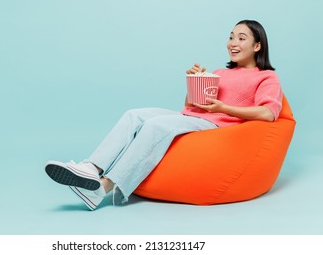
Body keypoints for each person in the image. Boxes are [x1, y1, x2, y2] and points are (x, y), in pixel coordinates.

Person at [45, 20, 283, 210]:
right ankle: (90, 168)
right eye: (231, 36)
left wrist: (224, 109)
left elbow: (269, 112)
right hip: (192, 117)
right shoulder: (220, 72)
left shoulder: (266, 77)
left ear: (257, 46)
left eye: (241, 38)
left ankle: (103, 188)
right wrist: (195, 82)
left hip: (216, 127)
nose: (233, 43)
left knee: (156, 127)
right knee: (134, 115)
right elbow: (192, 105)